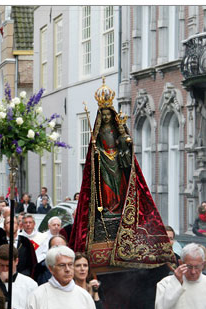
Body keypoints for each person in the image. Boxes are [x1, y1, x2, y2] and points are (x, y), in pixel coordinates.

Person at [70, 80, 174, 268]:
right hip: (103, 162)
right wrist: (96, 152)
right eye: (105, 114)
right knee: (107, 189)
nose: (108, 117)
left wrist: (125, 144)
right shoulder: (98, 133)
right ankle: (110, 209)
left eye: (110, 114)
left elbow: (125, 144)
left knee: (119, 187)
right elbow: (96, 149)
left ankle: (117, 208)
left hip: (117, 161)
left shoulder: (117, 129)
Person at [0, 245, 38, 309]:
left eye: (8, 266)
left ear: (16, 261)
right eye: (1, 265)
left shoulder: (30, 284)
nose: (4, 269)